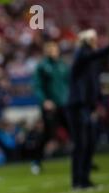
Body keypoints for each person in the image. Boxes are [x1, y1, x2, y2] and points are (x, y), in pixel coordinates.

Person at [67, 29, 109, 189]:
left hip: (88, 106)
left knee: (90, 143)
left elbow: (94, 83)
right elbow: (95, 55)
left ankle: (85, 179)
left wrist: (99, 102)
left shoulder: (92, 63)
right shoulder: (82, 54)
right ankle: (77, 180)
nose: (96, 41)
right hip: (77, 106)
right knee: (81, 143)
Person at [32, 41, 69, 174]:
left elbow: (68, 83)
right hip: (50, 106)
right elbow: (37, 86)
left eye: (55, 49)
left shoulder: (62, 65)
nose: (53, 52)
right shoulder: (42, 66)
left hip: (64, 104)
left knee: (75, 132)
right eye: (51, 49)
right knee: (47, 134)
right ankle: (36, 161)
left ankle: (83, 160)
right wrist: (44, 101)